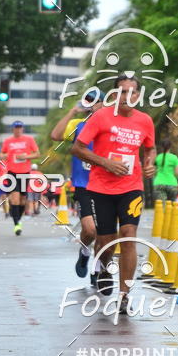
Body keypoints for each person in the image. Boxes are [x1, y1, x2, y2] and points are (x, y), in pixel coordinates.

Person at [72, 74, 156, 313]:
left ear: (138, 96)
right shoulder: (101, 117)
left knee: (128, 235)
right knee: (105, 242)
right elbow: (77, 148)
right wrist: (105, 163)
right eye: (122, 92)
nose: (127, 97)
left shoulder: (145, 121)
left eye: (132, 92)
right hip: (101, 188)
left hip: (132, 187)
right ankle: (104, 264)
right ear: (115, 95)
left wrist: (149, 163)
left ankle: (124, 295)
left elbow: (150, 147)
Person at [51, 89, 104, 284]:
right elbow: (55, 135)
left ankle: (98, 270)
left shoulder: (109, 126)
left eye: (95, 101)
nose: (91, 103)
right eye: (88, 100)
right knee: (90, 231)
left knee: (104, 232)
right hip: (84, 186)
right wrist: (73, 112)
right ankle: (84, 251)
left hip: (106, 185)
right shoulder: (77, 125)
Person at [0, 121, 39, 235]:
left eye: (20, 128)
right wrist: (7, 155)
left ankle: (18, 218)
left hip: (25, 173)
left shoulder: (29, 140)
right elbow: (1, 154)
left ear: (22, 129)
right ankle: (16, 224)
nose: (18, 130)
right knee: (15, 198)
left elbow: (37, 153)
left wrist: (26, 156)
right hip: (12, 173)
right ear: (13, 129)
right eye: (16, 128)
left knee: (22, 200)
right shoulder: (8, 141)